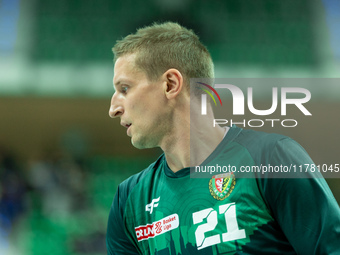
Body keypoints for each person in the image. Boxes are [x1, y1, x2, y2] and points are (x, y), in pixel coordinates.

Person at [106, 22, 340, 255]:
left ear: (171, 84)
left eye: (124, 89)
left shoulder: (271, 158)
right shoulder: (129, 201)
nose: (113, 108)